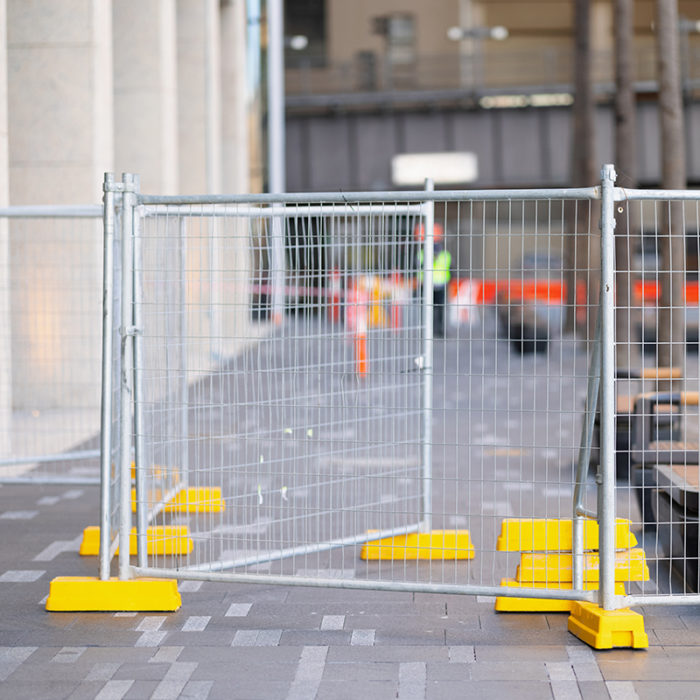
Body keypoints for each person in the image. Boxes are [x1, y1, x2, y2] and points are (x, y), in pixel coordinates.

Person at [414, 222, 452, 338]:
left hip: (440, 286)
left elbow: (450, 270)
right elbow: (417, 267)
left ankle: (438, 329)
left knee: (439, 309)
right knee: (426, 309)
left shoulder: (445, 255)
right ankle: (427, 330)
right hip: (426, 285)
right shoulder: (422, 254)